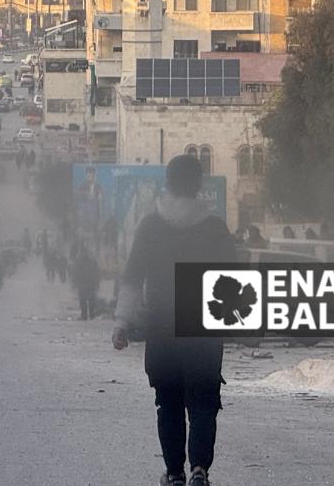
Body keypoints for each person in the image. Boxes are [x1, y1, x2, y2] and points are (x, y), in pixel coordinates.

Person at [113, 154, 238, 486]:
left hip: (162, 327)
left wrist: (121, 323)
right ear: (199, 186)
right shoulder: (215, 228)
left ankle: (174, 472)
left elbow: (131, 277)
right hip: (202, 330)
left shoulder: (150, 226)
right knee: (203, 402)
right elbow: (234, 281)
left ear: (167, 184)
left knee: (167, 402)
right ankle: (199, 469)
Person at [73, 244, 99, 321]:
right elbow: (97, 272)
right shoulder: (92, 261)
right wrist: (97, 282)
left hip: (83, 284)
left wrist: (75, 283)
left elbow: (76, 273)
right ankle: (91, 315)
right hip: (90, 284)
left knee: (83, 300)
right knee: (90, 300)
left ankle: (85, 315)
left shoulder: (79, 261)